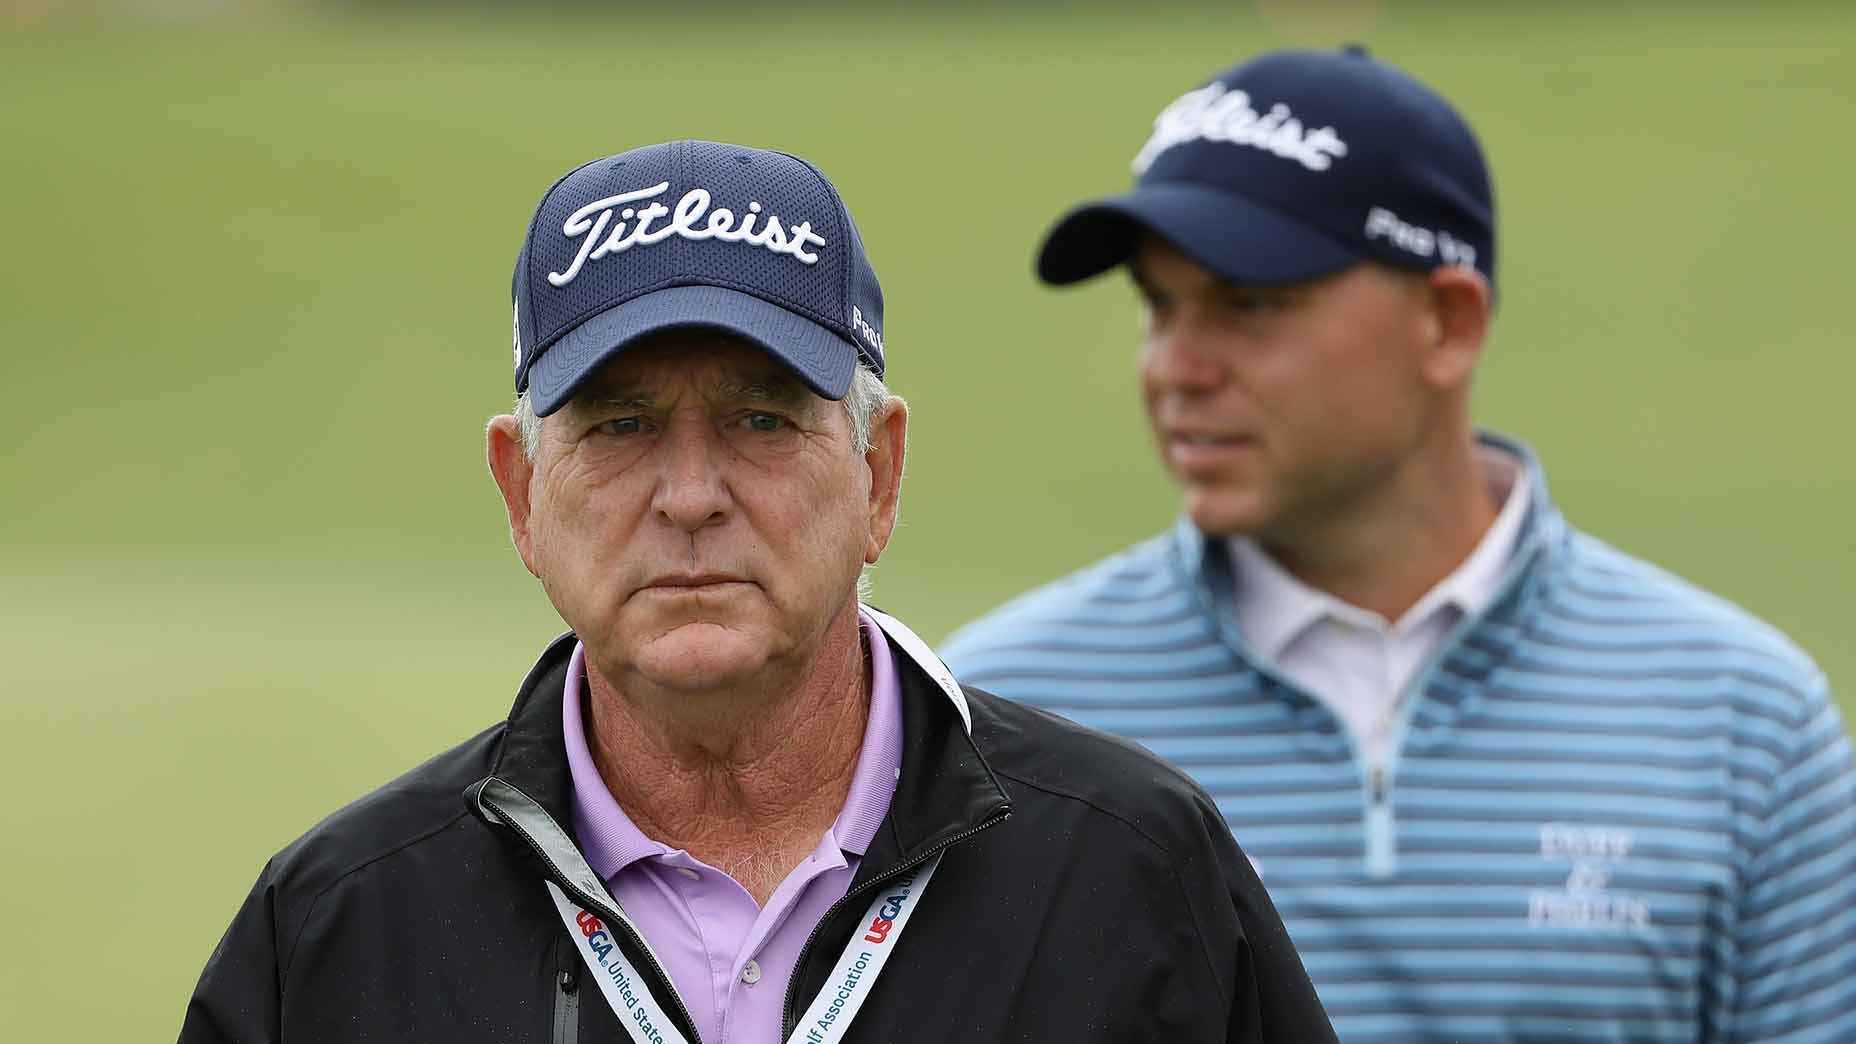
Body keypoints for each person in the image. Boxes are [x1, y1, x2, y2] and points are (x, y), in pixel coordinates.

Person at [177, 140, 1337, 1044]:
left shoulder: (1127, 870)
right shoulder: (342, 926)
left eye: (761, 419)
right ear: (521, 491)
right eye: (620, 425)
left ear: (878, 475)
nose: (690, 495)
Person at [941, 47, 1856, 1042]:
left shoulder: (1742, 726)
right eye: (1158, 305)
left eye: (1248, 305)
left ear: (1446, 323)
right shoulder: (993, 717)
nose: (1176, 367)